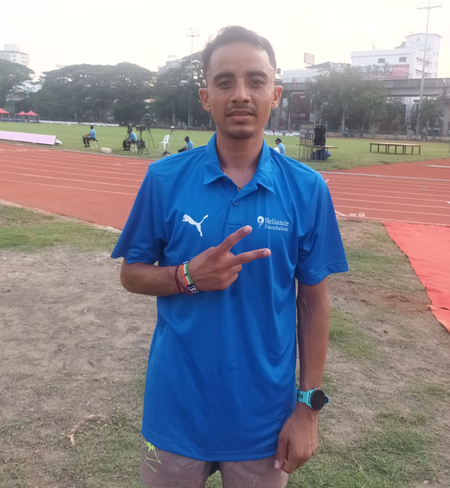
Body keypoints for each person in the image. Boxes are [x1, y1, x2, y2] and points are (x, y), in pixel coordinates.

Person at [111, 26, 348, 488]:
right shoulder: (163, 179)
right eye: (225, 82)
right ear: (206, 97)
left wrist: (308, 409)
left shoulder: (307, 188)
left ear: (275, 93)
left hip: (265, 420)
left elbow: (313, 301)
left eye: (256, 80)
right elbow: (131, 274)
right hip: (176, 410)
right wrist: (186, 276)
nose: (241, 94)